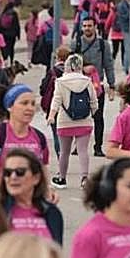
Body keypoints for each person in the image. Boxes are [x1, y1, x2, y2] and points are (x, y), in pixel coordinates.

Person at [0, 83, 50, 191]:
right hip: (0, 203)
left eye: (32, 104)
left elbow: (43, 169)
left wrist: (48, 191)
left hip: (29, 204)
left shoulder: (39, 138)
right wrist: (6, 186)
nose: (30, 108)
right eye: (24, 103)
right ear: (9, 106)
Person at [47, 53, 98, 187]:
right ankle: (84, 179)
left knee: (64, 152)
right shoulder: (87, 81)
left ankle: (62, 178)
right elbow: (94, 101)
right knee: (82, 150)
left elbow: (56, 100)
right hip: (84, 120)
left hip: (65, 121)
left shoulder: (60, 82)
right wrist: (92, 112)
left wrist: (51, 115)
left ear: (67, 66)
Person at [0, 148, 64, 244]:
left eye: (20, 172)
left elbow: (56, 251)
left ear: (36, 178)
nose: (13, 177)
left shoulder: (51, 212)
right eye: (8, 172)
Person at [72, 16, 116, 156]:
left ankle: (98, 147)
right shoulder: (76, 44)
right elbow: (70, 65)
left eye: (89, 26)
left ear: (95, 27)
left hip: (97, 87)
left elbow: (108, 65)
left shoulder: (103, 45)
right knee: (79, 117)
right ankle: (77, 146)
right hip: (79, 86)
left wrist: (112, 84)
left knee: (98, 117)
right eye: (84, 26)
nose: (87, 28)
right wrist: (82, 68)